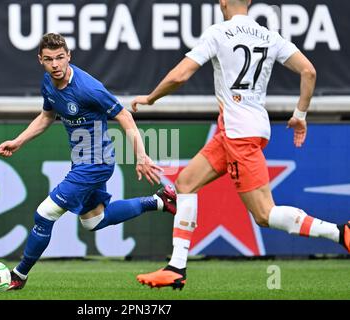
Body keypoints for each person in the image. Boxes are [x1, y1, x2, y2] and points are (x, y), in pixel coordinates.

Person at [131, 0, 350, 290]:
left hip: (238, 135)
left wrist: (150, 98)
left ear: (222, 2)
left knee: (263, 213)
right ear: (248, 2)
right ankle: (176, 267)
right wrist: (300, 115)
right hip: (243, 129)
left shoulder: (219, 33)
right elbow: (309, 71)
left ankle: (339, 232)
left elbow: (180, 75)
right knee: (185, 183)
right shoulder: (268, 35)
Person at [0, 33, 177, 290]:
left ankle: (19, 275)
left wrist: (141, 155)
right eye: (49, 59)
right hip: (82, 162)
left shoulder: (88, 88)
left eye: (60, 57)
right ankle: (159, 201)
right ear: (41, 60)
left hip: (96, 163)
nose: (55, 64)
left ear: (69, 56)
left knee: (44, 214)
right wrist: (18, 141)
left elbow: (124, 116)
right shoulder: (48, 82)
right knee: (93, 220)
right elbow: (47, 117)